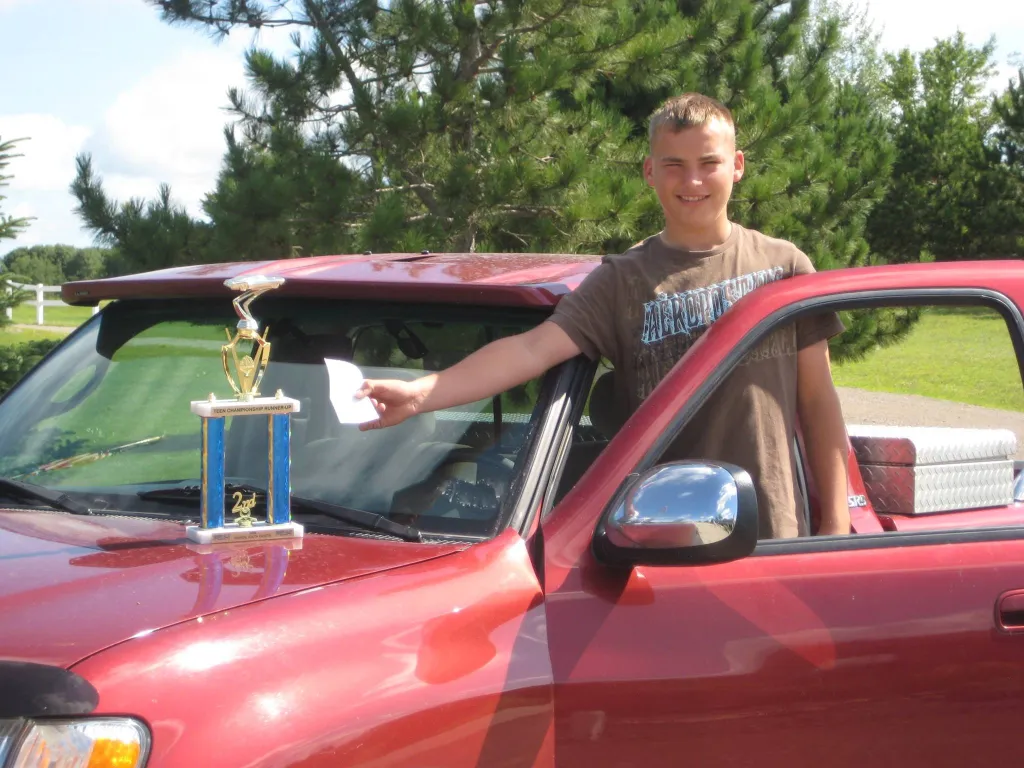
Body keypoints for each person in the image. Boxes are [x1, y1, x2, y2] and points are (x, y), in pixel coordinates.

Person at [357, 92, 851, 539]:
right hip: (667, 541)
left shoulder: (783, 265)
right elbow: (532, 348)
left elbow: (818, 401)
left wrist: (835, 523)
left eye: (709, 162)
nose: (693, 180)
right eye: (673, 164)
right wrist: (421, 394)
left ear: (737, 165)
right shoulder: (623, 281)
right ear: (649, 171)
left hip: (778, 536)